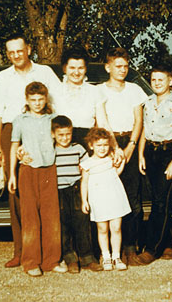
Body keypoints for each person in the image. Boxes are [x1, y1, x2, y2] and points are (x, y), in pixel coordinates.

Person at [0, 34, 61, 268]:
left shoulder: (45, 73)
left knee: (47, 195)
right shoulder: (3, 77)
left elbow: (59, 105)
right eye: (10, 52)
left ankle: (49, 253)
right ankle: (21, 251)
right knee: (17, 193)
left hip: (43, 129)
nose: (15, 55)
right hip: (13, 130)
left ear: (28, 49)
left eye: (19, 50)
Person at [133, 66, 172, 265]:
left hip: (169, 152)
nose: (157, 83)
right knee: (158, 200)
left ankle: (152, 249)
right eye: (154, 79)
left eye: (161, 79)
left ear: (170, 82)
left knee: (161, 201)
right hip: (150, 152)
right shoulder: (148, 103)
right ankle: (169, 243)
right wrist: (141, 154)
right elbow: (144, 130)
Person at [7, 82, 65, 277]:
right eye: (33, 100)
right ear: (27, 100)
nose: (38, 103)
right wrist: (12, 174)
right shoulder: (20, 120)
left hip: (49, 170)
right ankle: (31, 261)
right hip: (28, 171)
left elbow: (62, 141)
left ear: (45, 99)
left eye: (41, 99)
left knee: (51, 217)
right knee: (30, 218)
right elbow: (15, 146)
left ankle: (51, 260)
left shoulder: (53, 119)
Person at [98, 47, 147, 265]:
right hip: (107, 144)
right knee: (108, 199)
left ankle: (130, 246)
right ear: (108, 67)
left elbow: (139, 120)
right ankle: (106, 250)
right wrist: (113, 148)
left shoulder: (135, 90)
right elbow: (102, 119)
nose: (122, 70)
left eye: (126, 66)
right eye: (118, 66)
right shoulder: (99, 91)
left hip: (130, 142)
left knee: (132, 198)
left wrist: (130, 147)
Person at [52, 115, 103, 273]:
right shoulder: (50, 151)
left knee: (82, 222)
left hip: (76, 189)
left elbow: (87, 168)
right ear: (53, 134)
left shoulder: (78, 149)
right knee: (64, 225)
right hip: (58, 191)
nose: (65, 138)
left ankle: (87, 257)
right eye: (60, 135)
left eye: (68, 134)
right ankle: (70, 258)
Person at [80, 127, 131, 271]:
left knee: (116, 227)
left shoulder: (111, 158)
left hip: (114, 196)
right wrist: (84, 200)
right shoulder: (87, 164)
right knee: (102, 228)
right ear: (91, 146)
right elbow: (84, 183)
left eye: (105, 145)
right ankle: (106, 256)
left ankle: (116, 256)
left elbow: (117, 172)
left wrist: (120, 161)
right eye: (98, 145)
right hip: (98, 199)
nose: (102, 149)